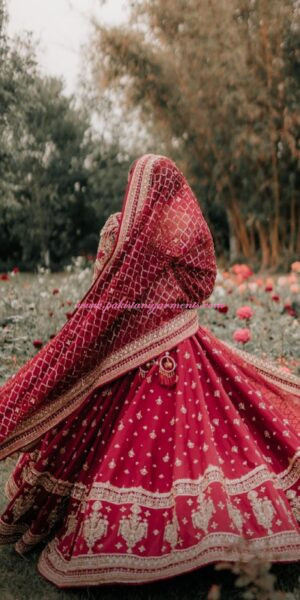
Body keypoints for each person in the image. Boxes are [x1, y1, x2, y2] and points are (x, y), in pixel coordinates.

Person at [0, 154, 299, 588]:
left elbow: (103, 293)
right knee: (216, 438)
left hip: (132, 357)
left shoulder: (119, 231)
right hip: (180, 349)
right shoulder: (180, 232)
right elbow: (199, 284)